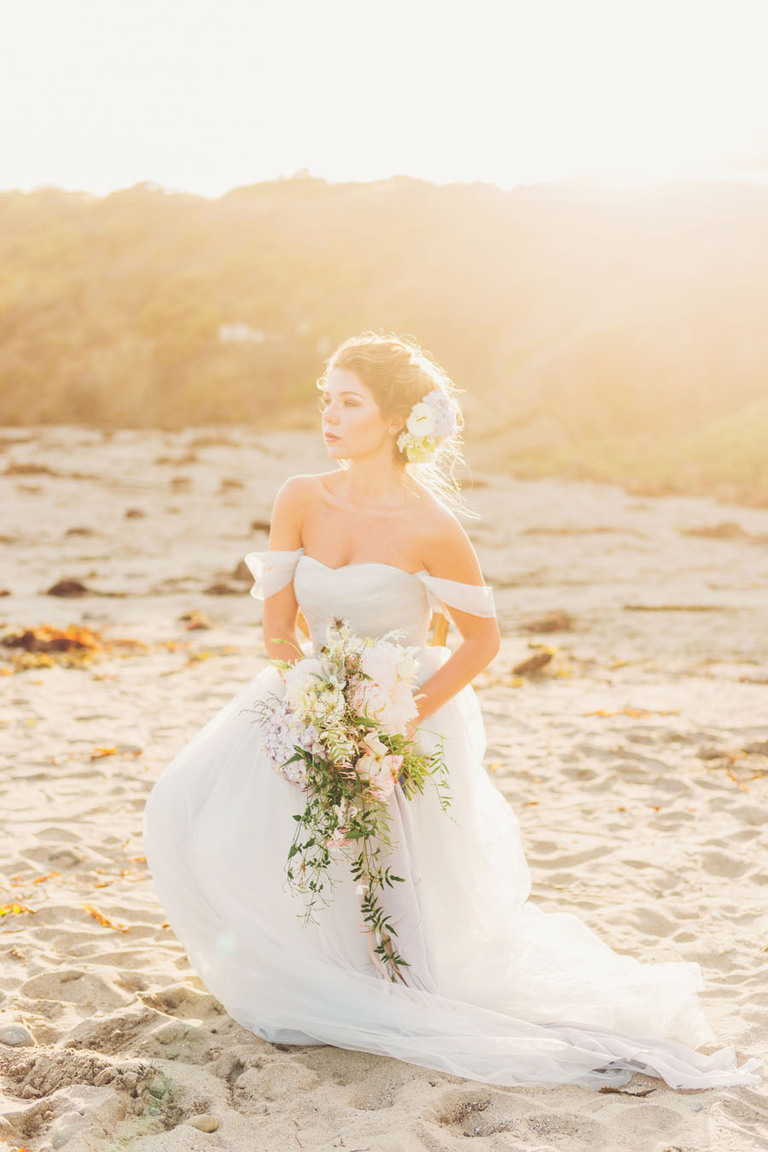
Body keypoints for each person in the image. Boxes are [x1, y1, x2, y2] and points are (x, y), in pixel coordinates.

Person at [143, 332, 760, 1090]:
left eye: (349, 402)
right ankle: (302, 968)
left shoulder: (433, 527)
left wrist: (395, 717)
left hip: (404, 709)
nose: (329, 416)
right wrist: (309, 698)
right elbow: (276, 626)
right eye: (326, 399)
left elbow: (482, 640)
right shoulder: (300, 496)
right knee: (187, 812)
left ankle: (380, 979)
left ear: (399, 419)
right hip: (304, 693)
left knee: (386, 866)